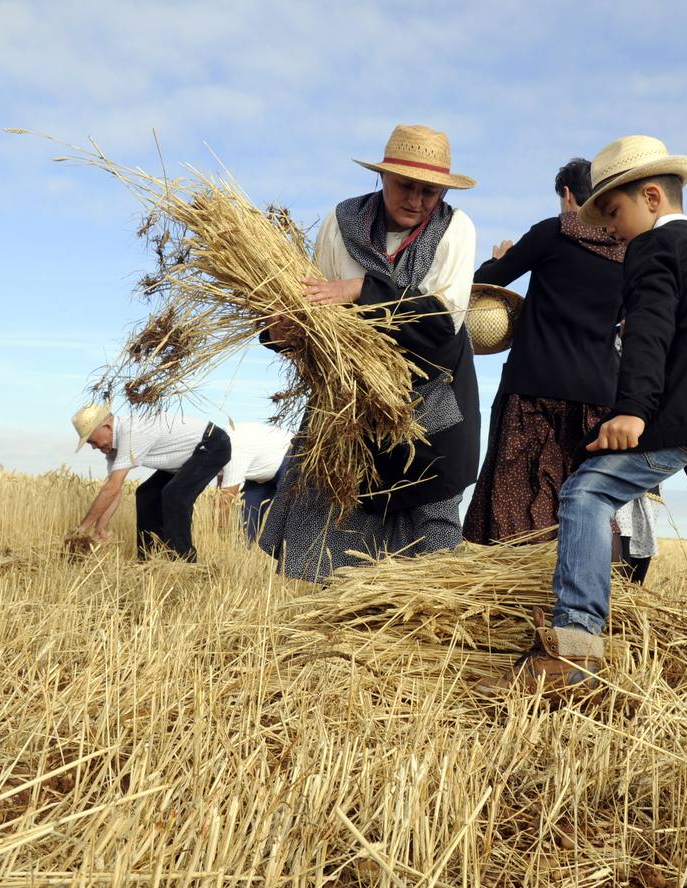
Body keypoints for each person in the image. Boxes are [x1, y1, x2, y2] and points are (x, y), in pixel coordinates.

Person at [476, 135, 687, 694]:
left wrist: (629, 409)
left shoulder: (655, 249)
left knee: (585, 494)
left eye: (614, 212)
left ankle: (575, 650)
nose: (610, 228)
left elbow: (649, 330)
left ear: (651, 197)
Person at [256, 123, 480, 581]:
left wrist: (361, 289)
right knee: (331, 523)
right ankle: (334, 633)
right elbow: (316, 308)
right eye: (406, 186)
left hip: (430, 407)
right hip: (351, 409)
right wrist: (284, 331)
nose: (417, 200)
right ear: (382, 177)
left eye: (429, 191)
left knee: (430, 541)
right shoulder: (342, 224)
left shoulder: (455, 228)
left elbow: (442, 321)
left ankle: (426, 638)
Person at [463, 158, 626, 545]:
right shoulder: (630, 249)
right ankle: (584, 593)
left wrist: (499, 259)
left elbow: (484, 281)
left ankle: (517, 599)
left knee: (514, 500)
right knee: (585, 502)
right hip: (596, 396)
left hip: (533, 389)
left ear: (568, 195)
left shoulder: (553, 232)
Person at [69, 402, 231, 562]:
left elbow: (110, 489)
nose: (93, 447)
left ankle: (185, 562)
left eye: (91, 441)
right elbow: (114, 490)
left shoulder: (132, 432)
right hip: (186, 456)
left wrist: (82, 529)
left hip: (213, 444)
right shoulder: (113, 448)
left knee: (175, 495)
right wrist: (100, 528)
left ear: (107, 426)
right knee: (146, 495)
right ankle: (149, 561)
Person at [215, 421, 294, 542]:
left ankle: (286, 557)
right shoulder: (216, 443)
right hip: (260, 468)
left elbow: (226, 499)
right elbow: (220, 485)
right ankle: (243, 553)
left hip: (290, 456)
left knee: (283, 515)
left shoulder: (234, 450)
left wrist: (216, 535)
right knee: (246, 519)